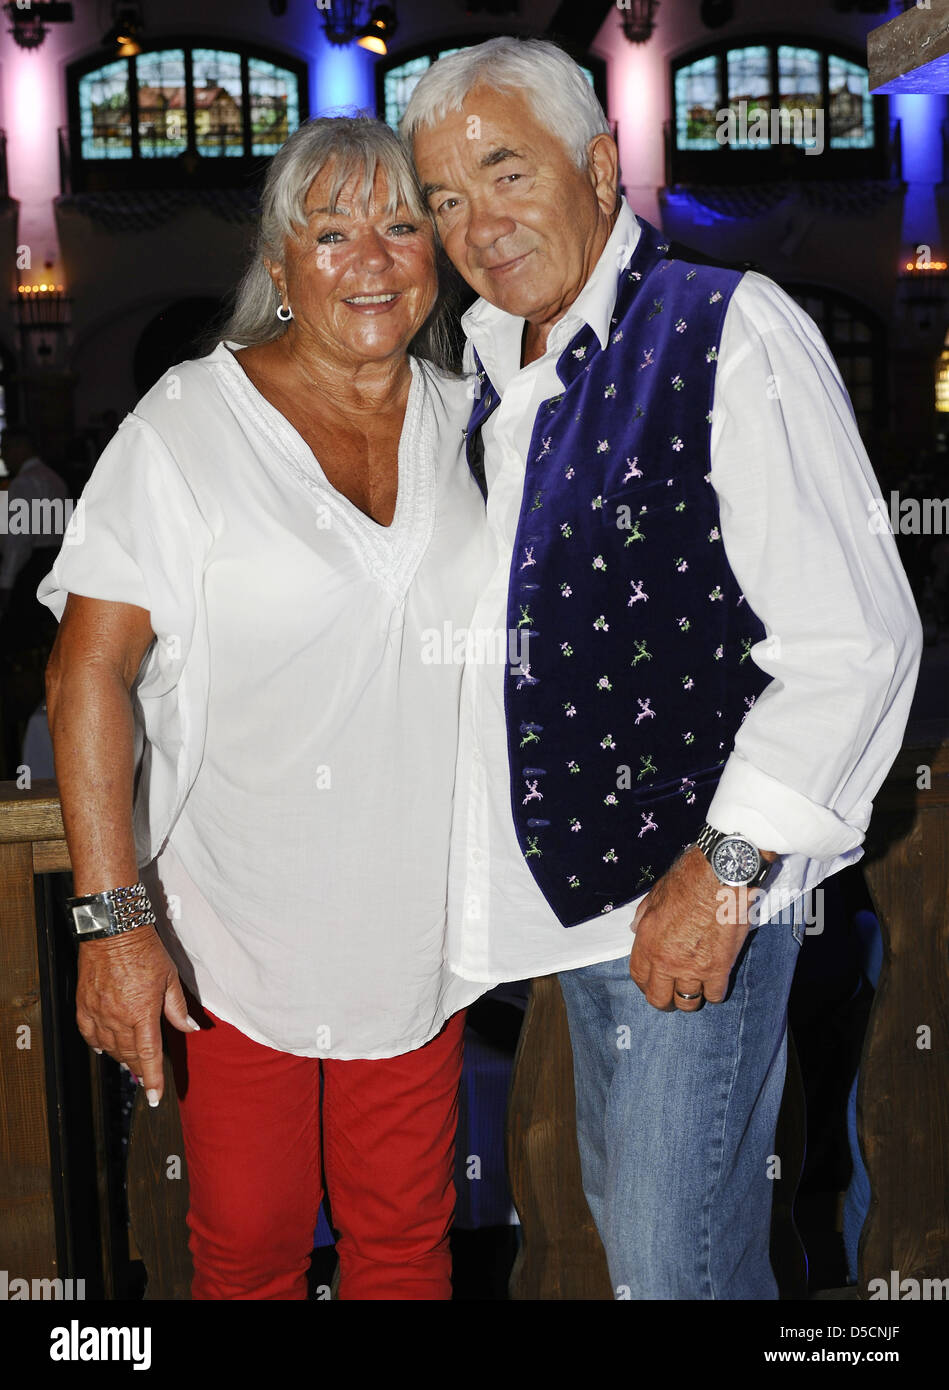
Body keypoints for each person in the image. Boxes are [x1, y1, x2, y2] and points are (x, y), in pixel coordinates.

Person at [403, 38, 922, 1299]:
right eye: (447, 199)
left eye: (505, 171)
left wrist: (726, 870)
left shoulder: (724, 329)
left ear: (599, 164)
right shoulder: (478, 381)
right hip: (571, 905)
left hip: (692, 889)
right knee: (650, 1251)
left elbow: (854, 640)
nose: (478, 223)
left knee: (666, 1266)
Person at [40, 115, 493, 1300]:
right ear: (278, 263)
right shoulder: (191, 424)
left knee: (406, 1244)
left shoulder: (472, 418)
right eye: (330, 230)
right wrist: (114, 922)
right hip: (230, 932)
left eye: (403, 224)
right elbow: (86, 669)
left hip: (415, 931)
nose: (373, 258)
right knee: (248, 1250)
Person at [0, 428, 69, 775]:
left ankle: (21, 746)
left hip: (29, 576)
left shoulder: (23, 485)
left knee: (17, 662)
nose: (4, 458)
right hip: (55, 571)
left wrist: (6, 588)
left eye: (5, 449)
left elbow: (15, 543)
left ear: (19, 447)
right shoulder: (56, 480)